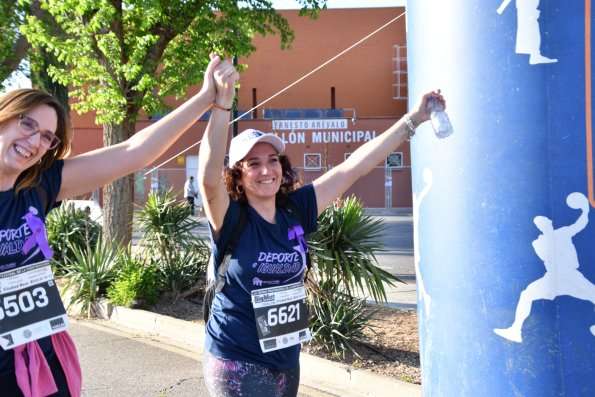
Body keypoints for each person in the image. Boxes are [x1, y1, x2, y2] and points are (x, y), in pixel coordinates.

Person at [198, 59, 445, 396]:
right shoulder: (231, 218)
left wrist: (412, 119)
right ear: (238, 175)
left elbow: (354, 167)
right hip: (236, 358)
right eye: (253, 164)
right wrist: (221, 104)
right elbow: (208, 179)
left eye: (272, 160)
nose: (266, 169)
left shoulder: (295, 209)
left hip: (285, 357)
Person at [0, 53, 229, 396]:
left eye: (47, 137)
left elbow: (133, 152)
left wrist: (206, 98)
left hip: (41, 360)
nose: (34, 142)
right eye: (27, 124)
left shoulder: (39, 187)